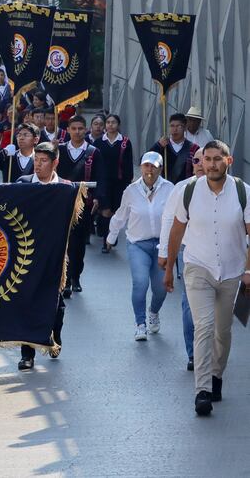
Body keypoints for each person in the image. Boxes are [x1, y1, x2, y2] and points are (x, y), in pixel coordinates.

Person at [163, 140, 250, 416]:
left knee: (222, 332)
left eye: (216, 159)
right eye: (206, 159)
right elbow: (177, 230)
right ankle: (202, 390)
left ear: (229, 161)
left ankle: (216, 375)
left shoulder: (242, 192)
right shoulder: (189, 191)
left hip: (232, 271)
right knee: (204, 326)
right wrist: (168, 267)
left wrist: (248, 271)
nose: (211, 164)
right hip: (198, 266)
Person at [105, 152, 174, 341]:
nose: (149, 170)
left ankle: (153, 312)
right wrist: (111, 237)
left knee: (161, 288)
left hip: (162, 245)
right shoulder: (131, 190)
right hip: (138, 244)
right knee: (140, 282)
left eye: (153, 166)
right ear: (141, 167)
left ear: (160, 168)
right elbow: (121, 214)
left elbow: (178, 218)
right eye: (146, 165)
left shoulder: (170, 189)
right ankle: (140, 323)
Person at [16, 142, 67, 370]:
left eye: (43, 161)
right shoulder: (23, 184)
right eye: (36, 160)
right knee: (27, 300)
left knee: (57, 303)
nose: (38, 165)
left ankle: (54, 335)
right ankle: (27, 354)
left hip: (56, 254)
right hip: (28, 253)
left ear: (55, 162)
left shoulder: (66, 188)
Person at [158, 153, 205, 371]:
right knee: (189, 302)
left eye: (206, 159)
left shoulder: (235, 188)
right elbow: (169, 220)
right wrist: (164, 253)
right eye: (196, 160)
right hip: (189, 252)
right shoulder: (182, 188)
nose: (201, 164)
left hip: (223, 256)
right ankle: (194, 354)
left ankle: (210, 349)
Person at [57, 115, 105, 296]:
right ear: (68, 130)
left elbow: (101, 177)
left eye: (80, 128)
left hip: (84, 204)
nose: (77, 132)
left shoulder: (93, 152)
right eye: (73, 128)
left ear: (85, 130)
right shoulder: (59, 150)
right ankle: (65, 279)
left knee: (78, 243)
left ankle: (76, 275)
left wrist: (99, 199)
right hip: (62, 203)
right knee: (64, 242)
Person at [94, 114, 133, 251]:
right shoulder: (98, 142)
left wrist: (128, 182)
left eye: (113, 122)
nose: (110, 125)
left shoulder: (125, 142)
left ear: (118, 125)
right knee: (105, 210)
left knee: (115, 212)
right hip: (103, 182)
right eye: (108, 122)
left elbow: (128, 164)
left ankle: (112, 235)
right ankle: (106, 241)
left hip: (119, 183)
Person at [150, 113, 199, 183]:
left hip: (186, 188)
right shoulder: (163, 146)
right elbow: (145, 161)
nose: (174, 129)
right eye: (172, 126)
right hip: (165, 188)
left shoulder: (194, 149)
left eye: (178, 126)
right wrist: (158, 145)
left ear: (185, 128)